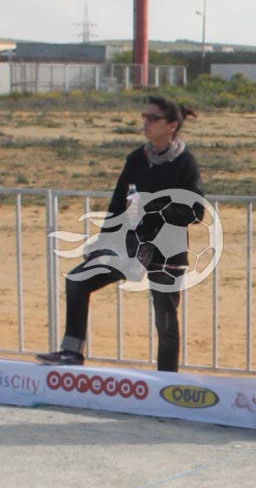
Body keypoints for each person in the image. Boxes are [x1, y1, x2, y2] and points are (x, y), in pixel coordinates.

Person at [36, 96, 204, 371]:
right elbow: (117, 204)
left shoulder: (185, 162)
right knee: (78, 280)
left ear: (171, 125)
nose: (145, 123)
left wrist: (153, 208)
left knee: (165, 319)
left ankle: (167, 382)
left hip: (166, 251)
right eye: (144, 117)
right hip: (130, 246)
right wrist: (104, 240)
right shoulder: (137, 158)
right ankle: (71, 351)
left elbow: (196, 213)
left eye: (152, 119)